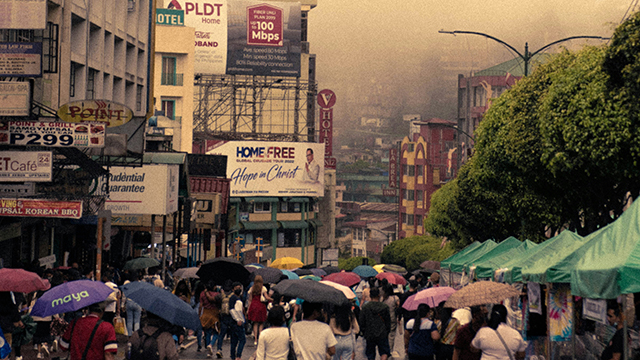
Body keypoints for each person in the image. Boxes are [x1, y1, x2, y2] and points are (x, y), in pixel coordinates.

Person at [359, 287, 391, 360]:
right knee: (384, 352)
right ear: (379, 295)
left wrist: (364, 332)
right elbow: (388, 322)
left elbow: (361, 321)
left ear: (370, 295)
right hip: (382, 333)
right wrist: (387, 331)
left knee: (370, 354)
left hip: (370, 333)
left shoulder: (365, 307)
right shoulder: (384, 307)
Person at [247, 275, 272, 346]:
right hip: (261, 306)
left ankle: (255, 339)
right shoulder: (263, 288)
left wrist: (248, 309)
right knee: (261, 323)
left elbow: (250, 299)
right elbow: (267, 297)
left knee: (255, 323)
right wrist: (272, 299)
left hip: (253, 305)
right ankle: (260, 338)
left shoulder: (252, 288)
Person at [200, 281, 221, 358]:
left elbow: (201, 305)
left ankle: (208, 350)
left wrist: (199, 315)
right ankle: (211, 344)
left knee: (207, 332)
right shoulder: (217, 295)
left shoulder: (202, 294)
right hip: (214, 313)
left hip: (205, 313)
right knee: (216, 331)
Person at [215, 281, 234, 358]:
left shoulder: (220, 295)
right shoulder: (233, 296)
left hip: (223, 316)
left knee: (221, 334)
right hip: (231, 316)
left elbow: (215, 299)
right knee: (233, 335)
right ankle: (233, 351)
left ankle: (219, 349)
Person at [229, 282, 247, 360]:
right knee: (242, 340)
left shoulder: (239, 298)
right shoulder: (233, 298)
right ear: (233, 289)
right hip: (237, 322)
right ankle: (238, 356)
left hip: (236, 322)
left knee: (234, 341)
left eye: (239, 287)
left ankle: (233, 356)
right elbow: (232, 310)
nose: (238, 289)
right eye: (236, 288)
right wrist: (238, 320)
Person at [382, 284, 400, 356]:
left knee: (385, 334)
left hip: (384, 318)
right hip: (392, 317)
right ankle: (390, 349)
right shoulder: (395, 298)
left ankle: (384, 348)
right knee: (391, 334)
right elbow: (398, 306)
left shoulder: (383, 298)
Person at [124, 272, 143, 336]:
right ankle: (136, 336)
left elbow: (124, 294)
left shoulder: (127, 283)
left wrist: (122, 304)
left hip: (129, 302)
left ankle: (129, 335)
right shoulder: (140, 284)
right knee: (137, 320)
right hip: (137, 302)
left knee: (129, 320)